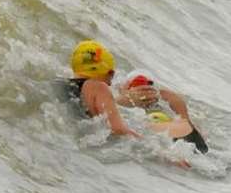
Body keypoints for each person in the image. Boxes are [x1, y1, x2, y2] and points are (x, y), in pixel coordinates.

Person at [66, 40, 208, 153]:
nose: (110, 81)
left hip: (84, 137)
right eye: (111, 74)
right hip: (117, 140)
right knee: (174, 114)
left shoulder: (67, 87)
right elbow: (118, 129)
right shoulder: (98, 87)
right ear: (109, 72)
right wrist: (162, 152)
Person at [116, 71, 208, 153]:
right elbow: (187, 122)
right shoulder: (167, 95)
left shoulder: (125, 97)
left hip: (156, 130)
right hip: (178, 130)